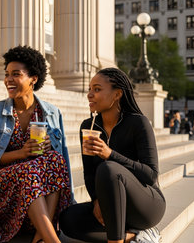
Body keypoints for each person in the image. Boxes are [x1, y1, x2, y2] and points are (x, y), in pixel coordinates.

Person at [0, 45, 72, 243]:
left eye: (16, 74)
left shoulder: (51, 113)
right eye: (7, 74)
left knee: (55, 160)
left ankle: (40, 237)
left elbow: (63, 161)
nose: (8, 79)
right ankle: (51, 240)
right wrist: (21, 153)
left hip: (35, 187)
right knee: (27, 171)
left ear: (33, 78)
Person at [59, 68, 165, 243]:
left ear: (117, 94)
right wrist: (96, 201)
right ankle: (135, 236)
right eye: (89, 89)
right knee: (68, 219)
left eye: (97, 89)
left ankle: (116, 240)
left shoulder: (138, 123)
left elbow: (151, 175)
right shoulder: (89, 126)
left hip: (145, 207)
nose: (90, 95)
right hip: (112, 206)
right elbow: (89, 174)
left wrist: (110, 154)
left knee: (109, 168)